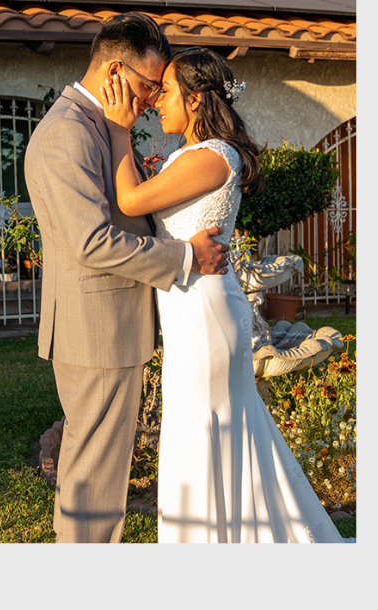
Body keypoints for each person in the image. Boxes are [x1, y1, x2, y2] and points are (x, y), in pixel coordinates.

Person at [101, 46, 343, 542]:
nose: (155, 102)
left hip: (205, 315)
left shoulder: (213, 156)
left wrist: (117, 127)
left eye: (165, 91)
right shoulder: (190, 155)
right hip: (191, 309)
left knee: (204, 432)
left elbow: (129, 200)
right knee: (206, 431)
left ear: (194, 101)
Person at [23, 13, 229, 543]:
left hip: (113, 328)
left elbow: (129, 207)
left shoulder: (97, 127)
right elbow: (92, 242)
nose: (149, 99)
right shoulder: (67, 133)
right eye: (146, 86)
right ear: (115, 71)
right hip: (97, 333)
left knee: (102, 480)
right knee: (92, 485)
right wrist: (184, 257)